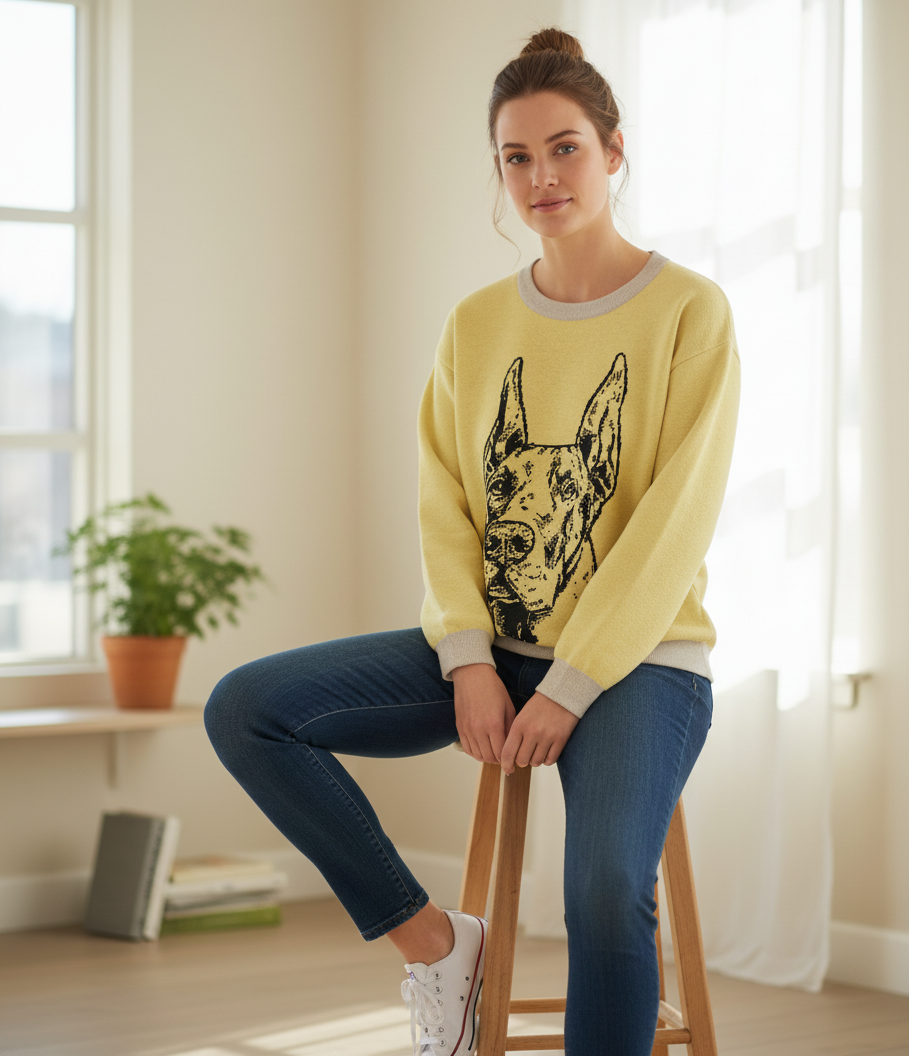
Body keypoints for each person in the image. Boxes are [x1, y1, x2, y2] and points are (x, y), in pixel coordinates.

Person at [204, 26, 740, 1056]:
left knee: (605, 891)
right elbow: (445, 503)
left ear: (613, 151)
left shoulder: (688, 313)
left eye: (565, 148)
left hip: (641, 663)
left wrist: (568, 685)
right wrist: (467, 660)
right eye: (516, 156)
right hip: (492, 650)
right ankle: (439, 947)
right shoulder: (477, 323)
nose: (542, 177)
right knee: (247, 710)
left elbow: (672, 527)